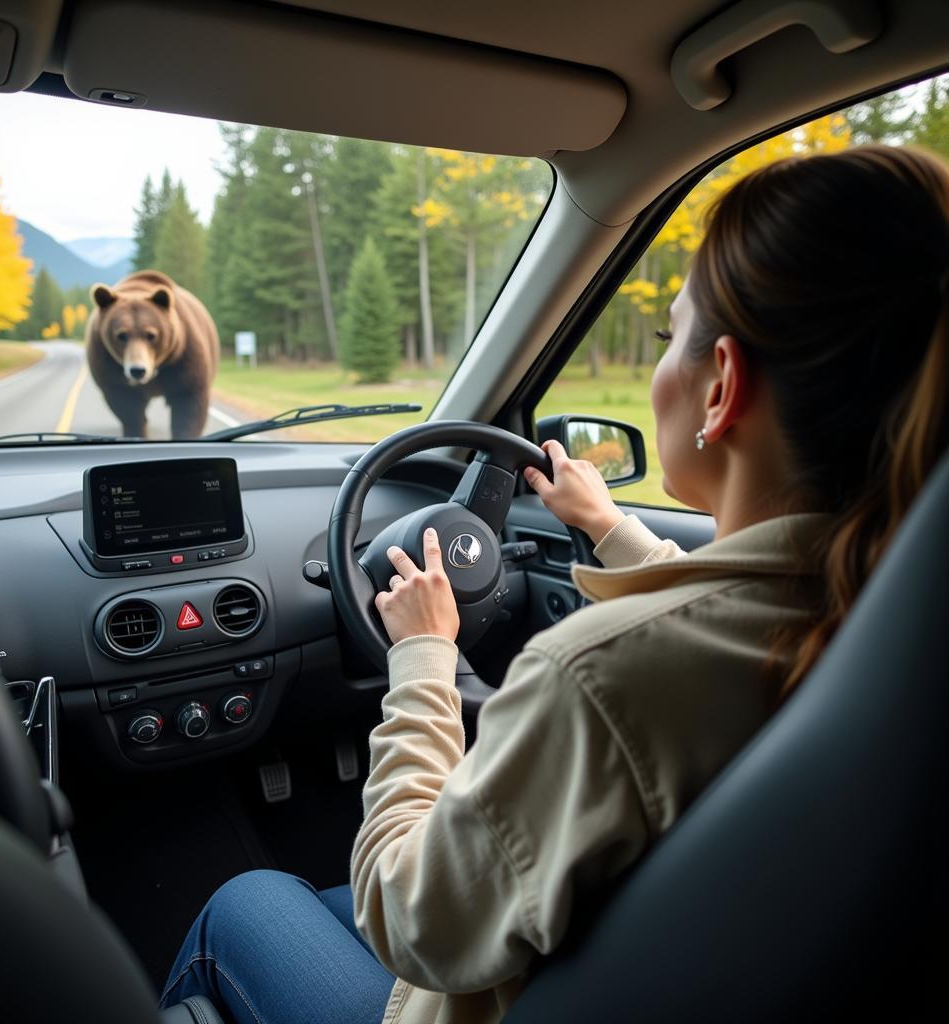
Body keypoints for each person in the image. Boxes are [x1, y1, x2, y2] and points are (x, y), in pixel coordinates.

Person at [160, 145, 949, 1024]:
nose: (660, 369)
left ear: (721, 384)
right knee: (315, 901)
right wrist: (610, 525)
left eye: (670, 335)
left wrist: (422, 657)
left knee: (246, 902)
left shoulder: (600, 679)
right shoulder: (888, 614)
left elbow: (403, 915)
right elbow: (734, 610)